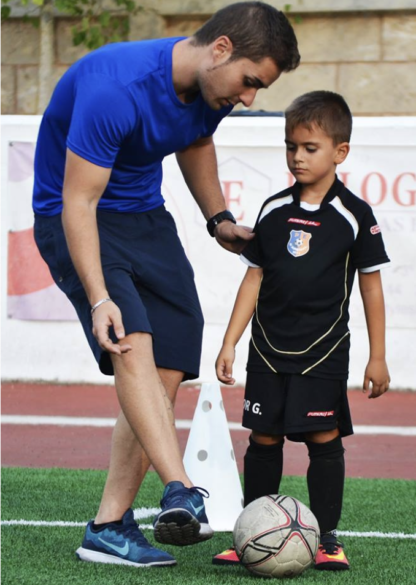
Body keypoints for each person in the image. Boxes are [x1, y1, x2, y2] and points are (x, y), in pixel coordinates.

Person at [32, 0, 300, 570]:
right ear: (221, 48)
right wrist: (100, 297)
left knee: (171, 357)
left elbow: (194, 139)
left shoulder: (211, 90)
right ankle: (180, 488)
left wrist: (217, 219)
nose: (250, 98)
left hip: (145, 218)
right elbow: (79, 200)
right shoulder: (115, 86)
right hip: (75, 215)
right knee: (133, 340)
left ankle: (108, 527)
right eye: (250, 82)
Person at [213, 90, 390, 571]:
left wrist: (378, 356)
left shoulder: (355, 215)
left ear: (340, 151)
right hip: (267, 351)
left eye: (310, 148)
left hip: (323, 352)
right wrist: (230, 342)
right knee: (263, 439)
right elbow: (254, 278)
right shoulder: (272, 210)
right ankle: (254, 528)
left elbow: (371, 290)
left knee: (323, 437)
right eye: (291, 146)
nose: (297, 156)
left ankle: (328, 538)